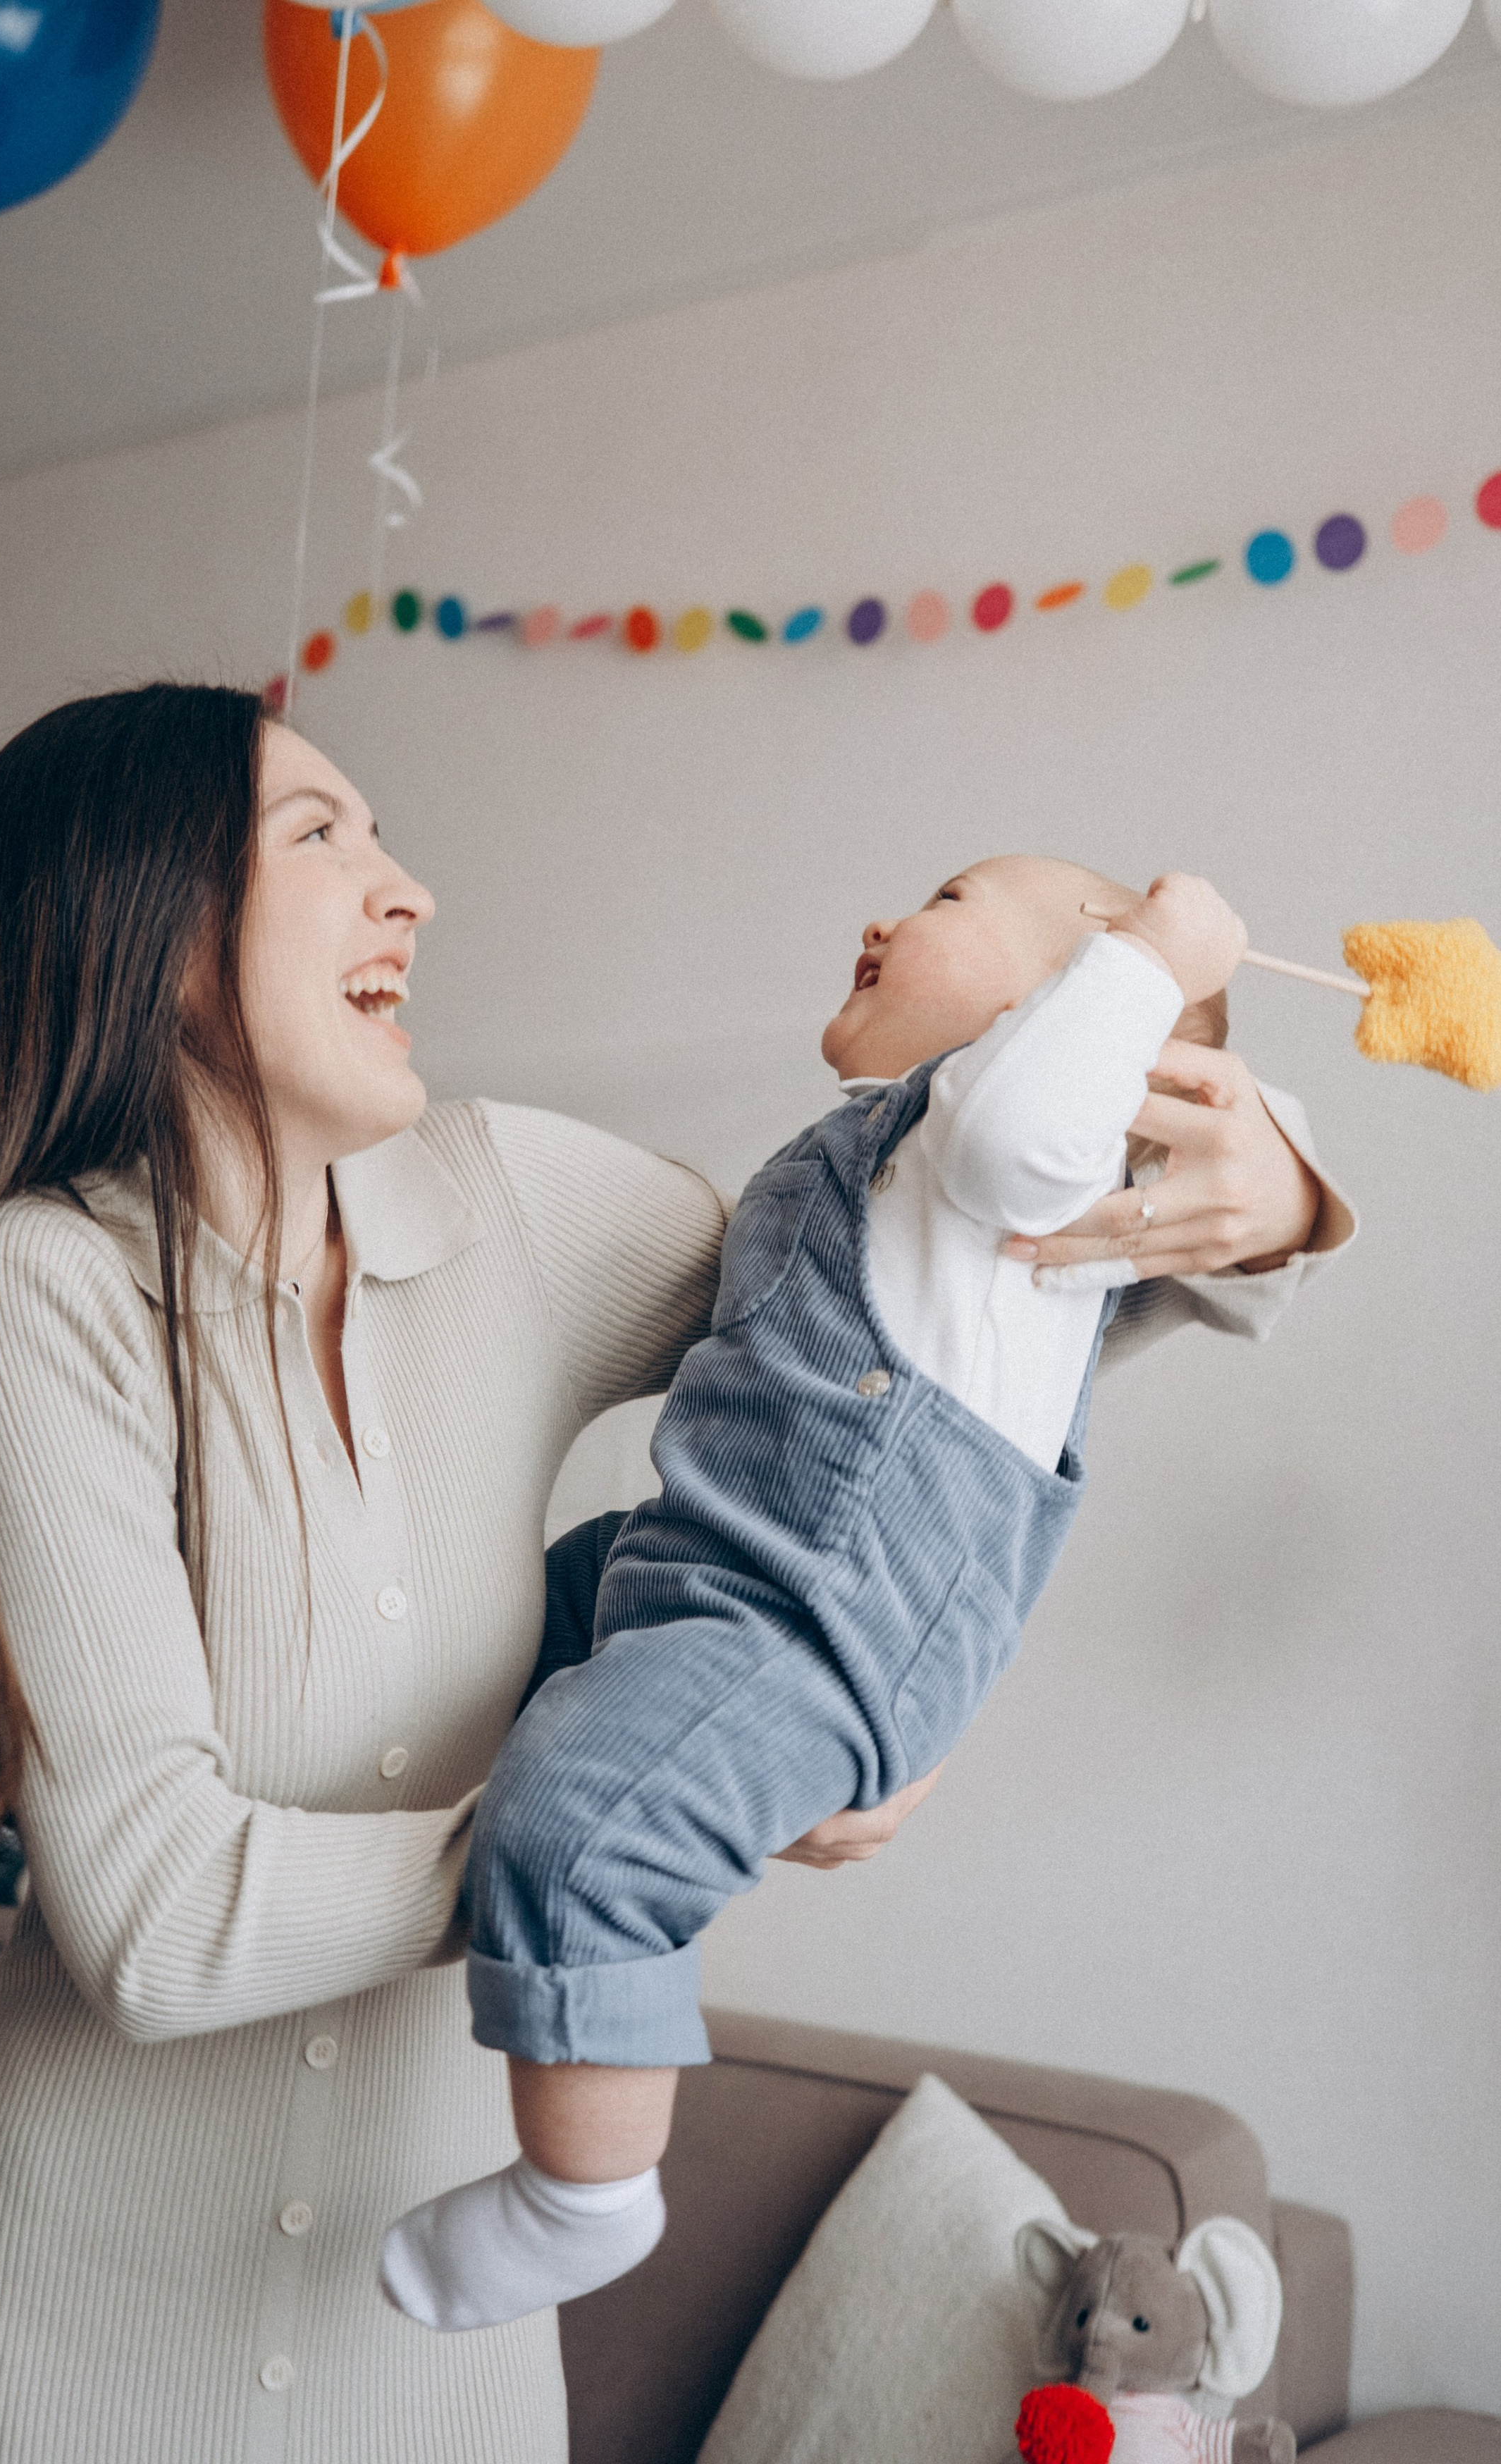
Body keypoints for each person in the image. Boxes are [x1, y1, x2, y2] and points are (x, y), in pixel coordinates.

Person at [0, 693, 1347, 2464]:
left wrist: (1281, 1202)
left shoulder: (514, 1206)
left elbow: (912, 1307)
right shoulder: (48, 1291)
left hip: (441, 2370)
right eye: (320, 838)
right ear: (138, 922)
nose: (406, 892)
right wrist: (644, 1810)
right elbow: (156, 1923)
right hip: (59, 2357)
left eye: (384, 836)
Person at [378, 862, 1301, 2334]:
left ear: (1062, 1013)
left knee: (579, 1812)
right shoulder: (883, 1153)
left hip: (825, 1616)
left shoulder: (1024, 1160)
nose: (882, 916)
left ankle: (583, 2200)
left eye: (949, 896)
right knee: (510, 1617)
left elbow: (1106, 1135)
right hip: (708, 1558)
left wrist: (1157, 954)